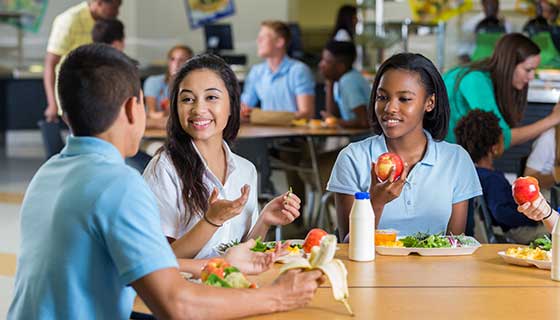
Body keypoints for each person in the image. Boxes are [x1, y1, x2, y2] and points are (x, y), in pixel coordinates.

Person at [8, 44, 322, 320]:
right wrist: (279, 296)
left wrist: (228, 258)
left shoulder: (47, 173)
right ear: (134, 108)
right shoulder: (119, 185)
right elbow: (177, 305)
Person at [143, 54, 302, 259]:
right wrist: (211, 221)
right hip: (187, 288)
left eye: (211, 97)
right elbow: (158, 264)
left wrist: (265, 220)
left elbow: (242, 252)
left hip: (233, 287)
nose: (198, 109)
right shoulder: (164, 169)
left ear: (231, 105)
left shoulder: (246, 170)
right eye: (187, 99)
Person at [327, 53, 482, 241]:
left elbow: (454, 243)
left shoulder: (456, 159)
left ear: (429, 103)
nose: (390, 108)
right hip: (371, 269)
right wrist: (375, 203)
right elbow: (348, 246)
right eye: (382, 97)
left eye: (404, 99)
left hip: (437, 270)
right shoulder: (353, 158)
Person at [444, 33, 560, 149]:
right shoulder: (475, 79)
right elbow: (500, 139)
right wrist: (553, 119)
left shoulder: (486, 77)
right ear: (509, 65)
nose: (531, 77)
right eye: (528, 70)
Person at [455, 110, 549, 244]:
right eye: (502, 139)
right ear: (494, 148)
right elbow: (502, 212)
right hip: (516, 231)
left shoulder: (475, 174)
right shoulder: (492, 179)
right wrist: (532, 217)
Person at [43, 0, 122, 122]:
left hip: (94, 96)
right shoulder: (69, 20)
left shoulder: (106, 22)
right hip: (71, 95)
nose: (117, 12)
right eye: (114, 7)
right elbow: (50, 63)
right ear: (98, 3)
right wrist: (52, 103)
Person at [241, 20, 315, 120]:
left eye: (263, 38)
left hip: (293, 133)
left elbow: (306, 113)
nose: (258, 41)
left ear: (279, 42)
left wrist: (264, 117)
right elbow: (243, 107)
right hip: (265, 133)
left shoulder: (299, 71)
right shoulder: (256, 71)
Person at [318, 40, 369, 128]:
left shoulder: (349, 81)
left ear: (340, 67)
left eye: (326, 61)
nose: (321, 65)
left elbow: (363, 121)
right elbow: (332, 115)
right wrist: (329, 82)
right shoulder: (339, 80)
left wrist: (336, 122)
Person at [144, 45, 193, 129]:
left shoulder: (194, 85)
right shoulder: (153, 81)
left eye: (181, 60)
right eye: (172, 59)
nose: (176, 64)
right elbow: (151, 114)